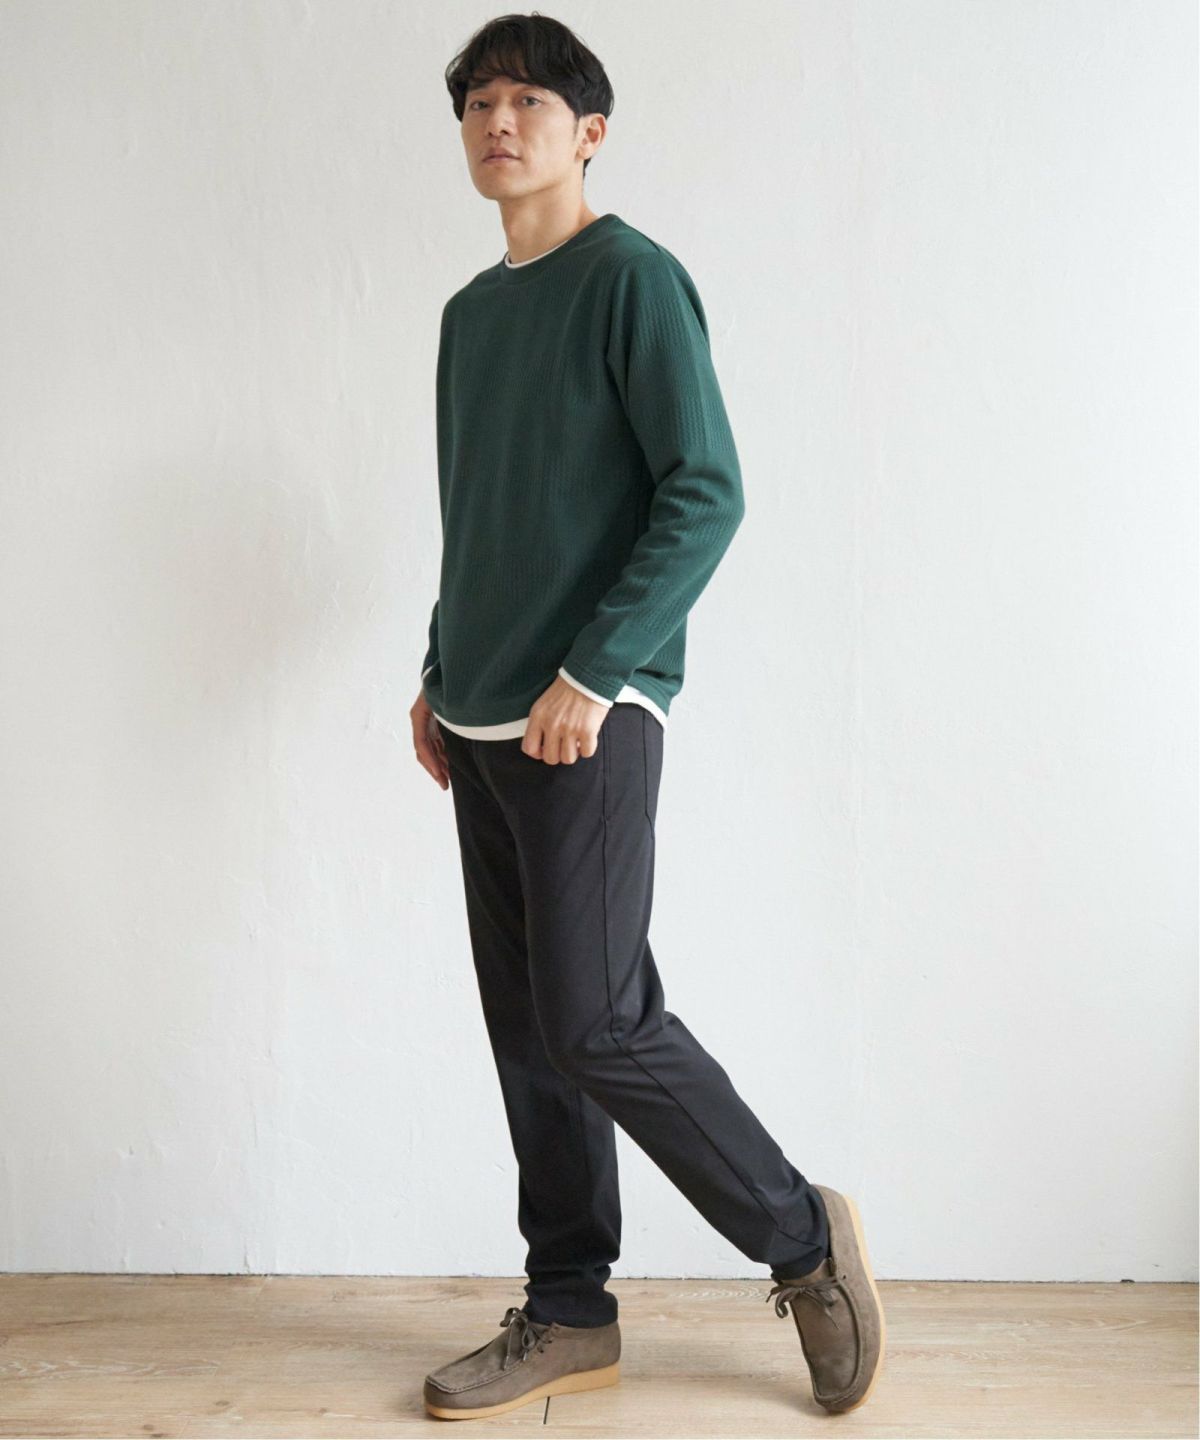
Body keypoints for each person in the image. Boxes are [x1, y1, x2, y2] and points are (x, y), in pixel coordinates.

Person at [410, 13, 885, 1422]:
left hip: (588, 718)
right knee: (530, 1031)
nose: (500, 123)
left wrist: (598, 670)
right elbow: (480, 520)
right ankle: (569, 1307)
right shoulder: (469, 316)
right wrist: (440, 670)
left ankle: (803, 1239)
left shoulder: (632, 280)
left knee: (599, 1021)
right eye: (478, 104)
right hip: (483, 720)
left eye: (529, 101)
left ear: (590, 131)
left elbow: (705, 489)